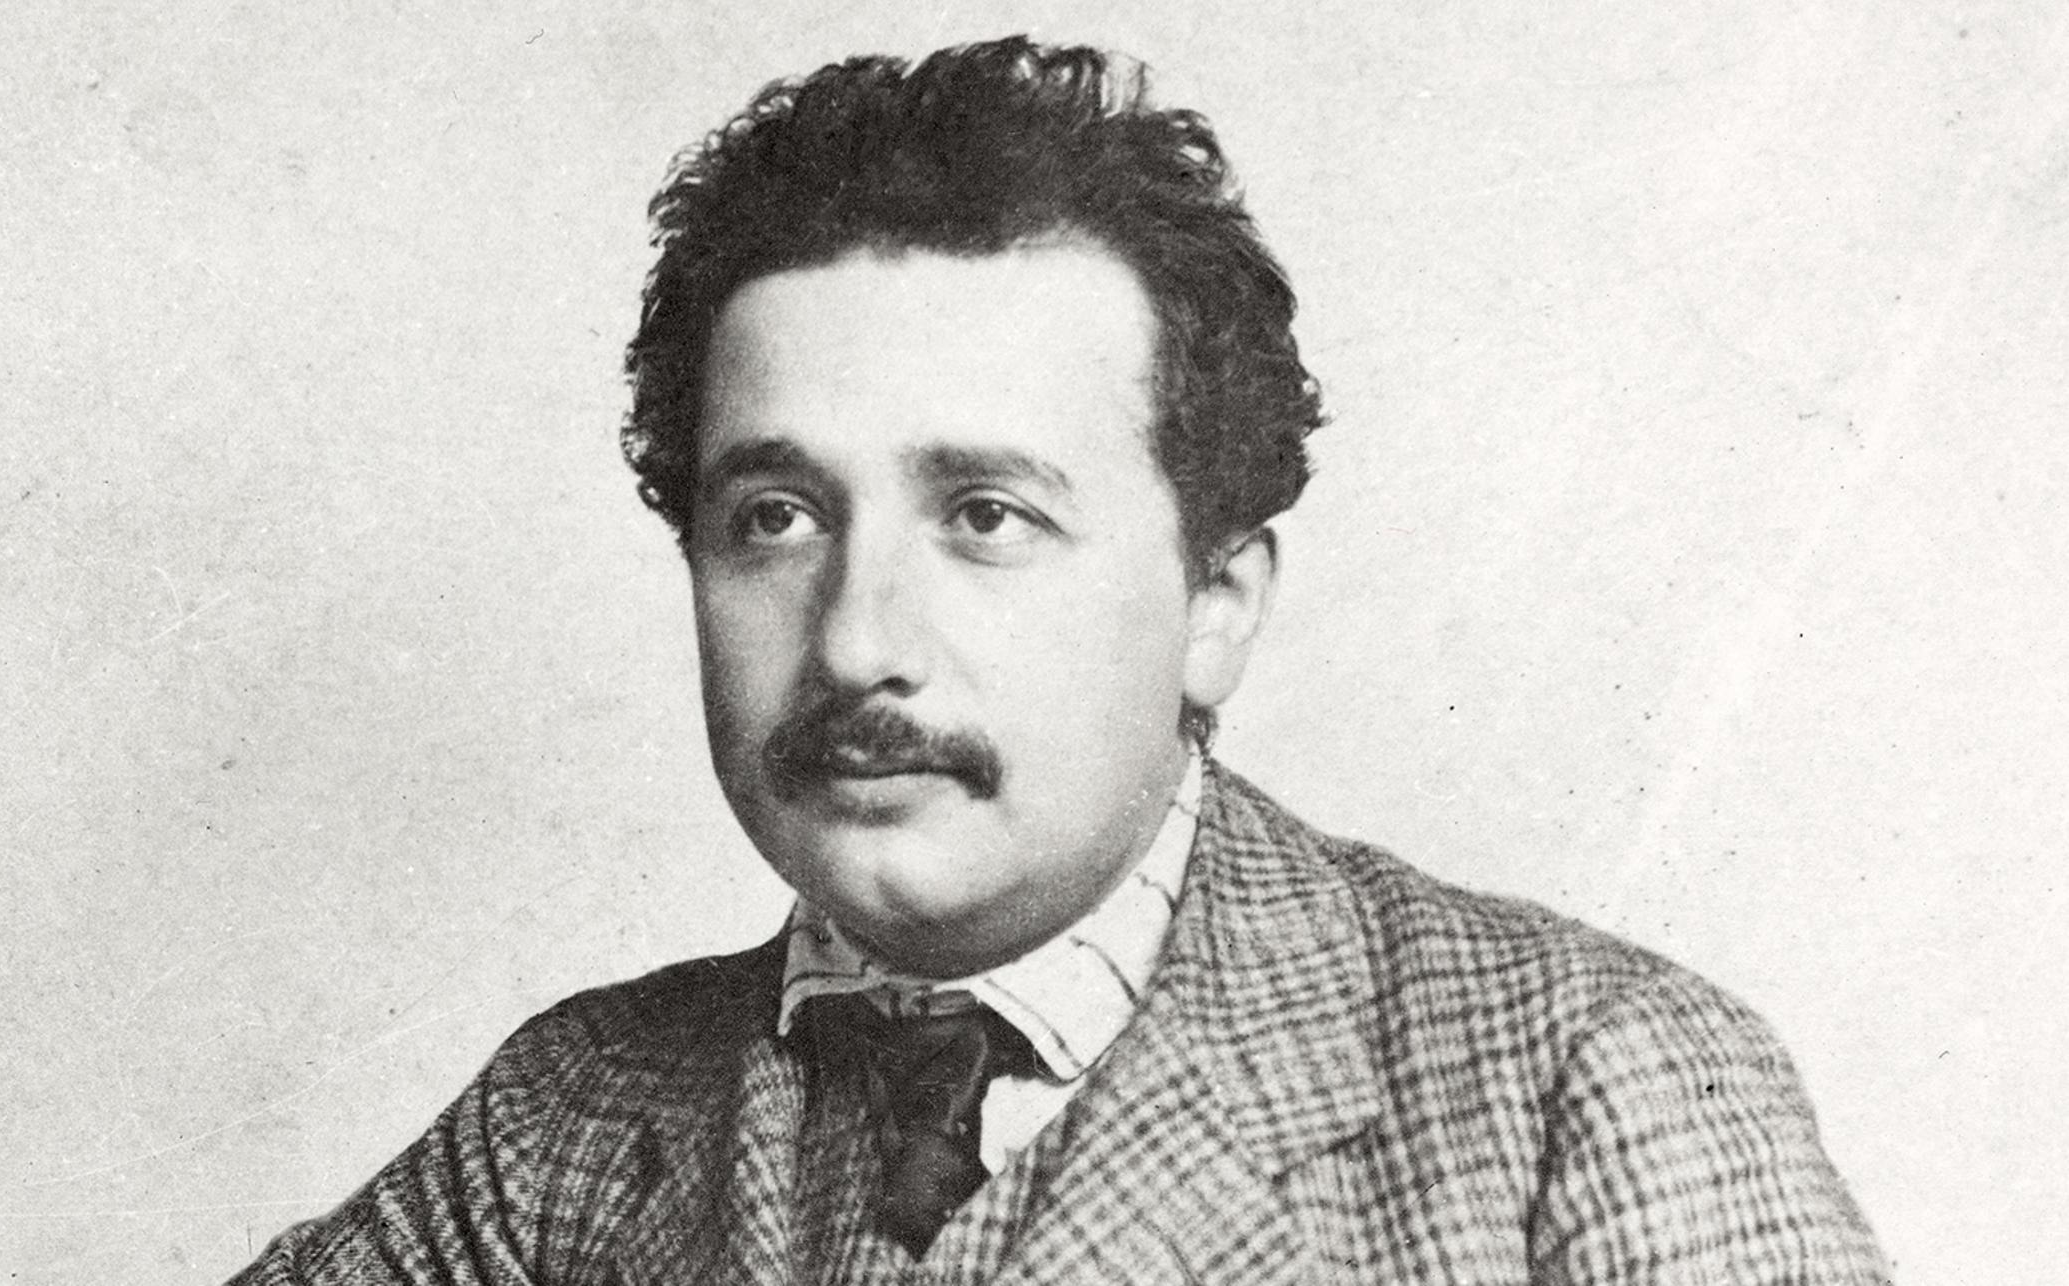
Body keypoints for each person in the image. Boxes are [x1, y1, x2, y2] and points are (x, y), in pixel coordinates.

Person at [230, 36, 1887, 1284]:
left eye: (987, 516)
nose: (857, 640)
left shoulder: (1591, 1086)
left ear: (1215, 601)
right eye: (776, 517)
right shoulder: (569, 1118)